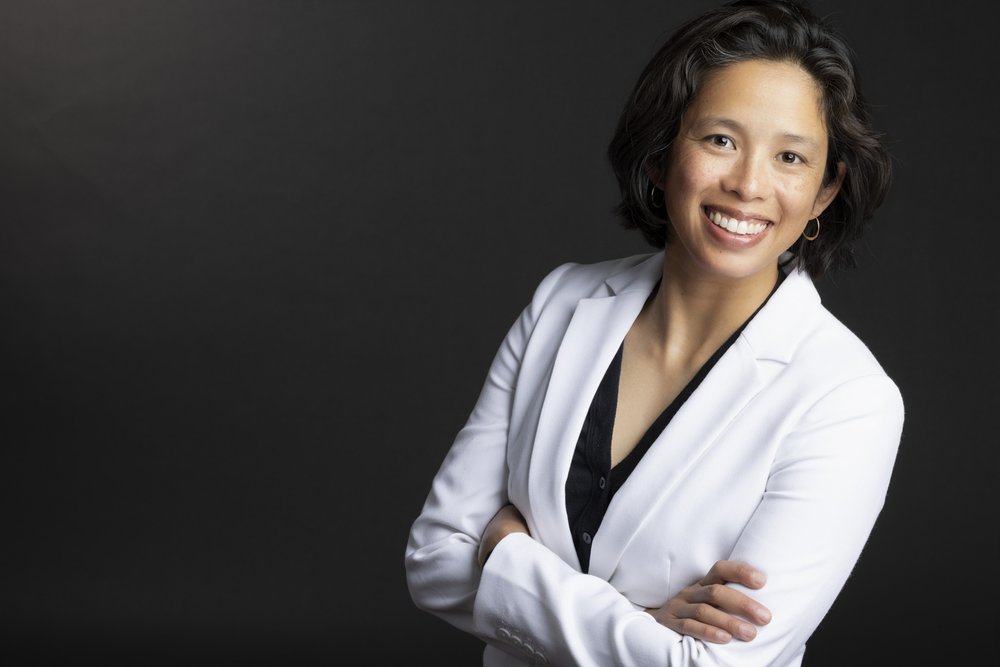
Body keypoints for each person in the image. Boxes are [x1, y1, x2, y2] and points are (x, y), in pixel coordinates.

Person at [404, 0, 904, 664]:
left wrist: (505, 553)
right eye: (720, 139)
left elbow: (715, 664)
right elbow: (433, 559)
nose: (748, 184)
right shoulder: (562, 301)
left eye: (790, 156)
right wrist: (641, 621)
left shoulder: (849, 399)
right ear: (663, 152)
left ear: (823, 192)